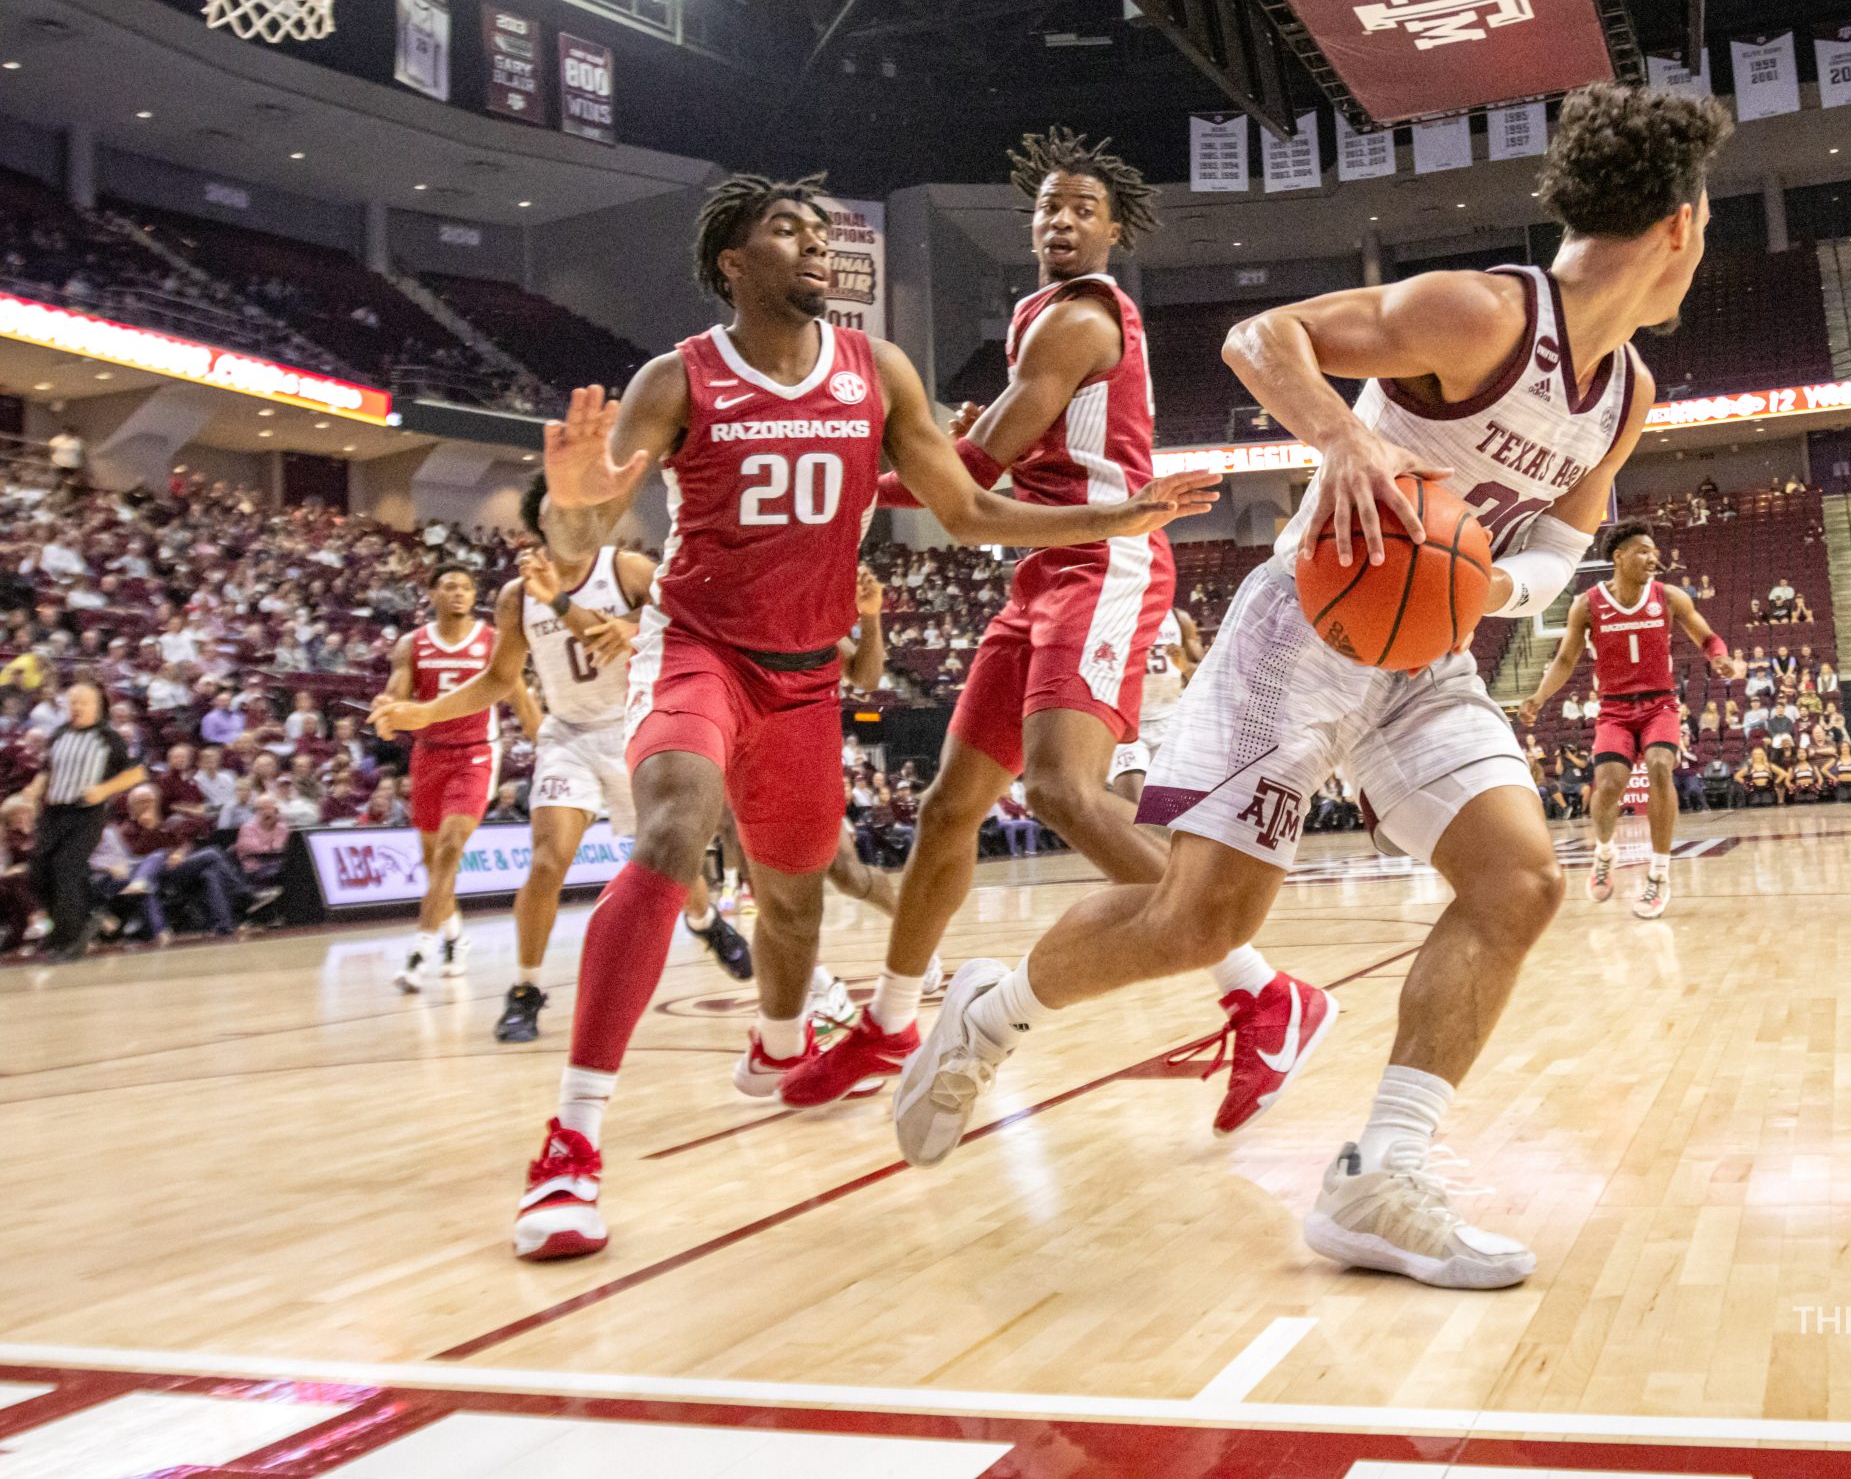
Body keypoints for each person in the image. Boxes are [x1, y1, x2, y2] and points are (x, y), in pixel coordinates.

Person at [890, 81, 1732, 1290]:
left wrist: (1489, 592)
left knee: (1519, 882)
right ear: (1682, 226)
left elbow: (1565, 533)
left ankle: (1377, 1177)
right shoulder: (1481, 312)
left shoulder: (1630, 391)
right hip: (1302, 626)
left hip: (1427, 651)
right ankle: (994, 1010)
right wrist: (1343, 438)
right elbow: (1259, 338)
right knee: (1201, 923)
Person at [510, 171, 1215, 1261]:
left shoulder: (875, 371)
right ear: (734, 265)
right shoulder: (679, 376)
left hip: (807, 679)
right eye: (787, 231)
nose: (817, 246)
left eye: (822, 231)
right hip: (701, 650)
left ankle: (780, 1043)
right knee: (671, 827)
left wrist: (1119, 511)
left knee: (795, 906)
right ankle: (570, 1144)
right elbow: (583, 531)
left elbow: (970, 509)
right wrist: (570, 499)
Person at [789, 130, 1282, 1117]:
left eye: (1080, 209)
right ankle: (889, 1025)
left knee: (1060, 790)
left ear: (1112, 230)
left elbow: (973, 468)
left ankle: (1261, 994)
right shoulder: (1035, 316)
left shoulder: (1079, 322)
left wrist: (840, 476)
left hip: (1105, 558)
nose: (1058, 221)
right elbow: (981, 455)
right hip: (1043, 567)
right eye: (1046, 207)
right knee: (946, 810)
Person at [371, 480, 751, 1043]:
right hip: (568, 735)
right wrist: (424, 714)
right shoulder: (515, 595)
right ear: (540, 524)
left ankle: (703, 921)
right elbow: (500, 680)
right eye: (559, 515)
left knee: (669, 860)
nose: (574, 522)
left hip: (636, 729)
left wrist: (631, 629)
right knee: (548, 861)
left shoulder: (628, 571)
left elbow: (695, 639)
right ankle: (525, 988)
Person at [1516, 522, 1737, 917]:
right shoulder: (1587, 604)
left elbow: (1708, 637)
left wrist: (1718, 656)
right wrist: (1539, 697)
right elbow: (1565, 660)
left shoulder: (1668, 597)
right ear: (1618, 556)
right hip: (1615, 709)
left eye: (1655, 551)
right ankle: (1604, 853)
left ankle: (1658, 874)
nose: (1654, 558)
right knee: (1609, 785)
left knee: (1659, 766)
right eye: (1643, 551)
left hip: (1660, 705)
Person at [375, 564, 538, 992]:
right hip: (428, 756)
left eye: (467, 586)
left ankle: (418, 952)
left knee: (450, 848)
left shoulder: (493, 641)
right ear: (431, 594)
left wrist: (546, 740)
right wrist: (388, 710)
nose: (460, 593)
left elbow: (518, 694)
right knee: (433, 863)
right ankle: (454, 936)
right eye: (450, 586)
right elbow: (397, 691)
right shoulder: (412, 644)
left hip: (476, 755)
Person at [7, 679, 145, 960]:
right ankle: (79, 921)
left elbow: (136, 774)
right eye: (72, 703)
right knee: (38, 871)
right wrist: (34, 790)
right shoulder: (59, 733)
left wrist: (104, 790)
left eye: (82, 702)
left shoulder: (108, 737)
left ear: (95, 705)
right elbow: (47, 769)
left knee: (66, 869)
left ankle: (70, 939)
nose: (76, 708)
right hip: (53, 811)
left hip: (85, 813)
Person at [1109, 607, 1203, 803]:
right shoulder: (1111, 615)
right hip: (1128, 727)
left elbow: (1205, 677)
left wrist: (1184, 664)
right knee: (1131, 808)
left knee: (1174, 807)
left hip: (1170, 722)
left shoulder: (1178, 618)